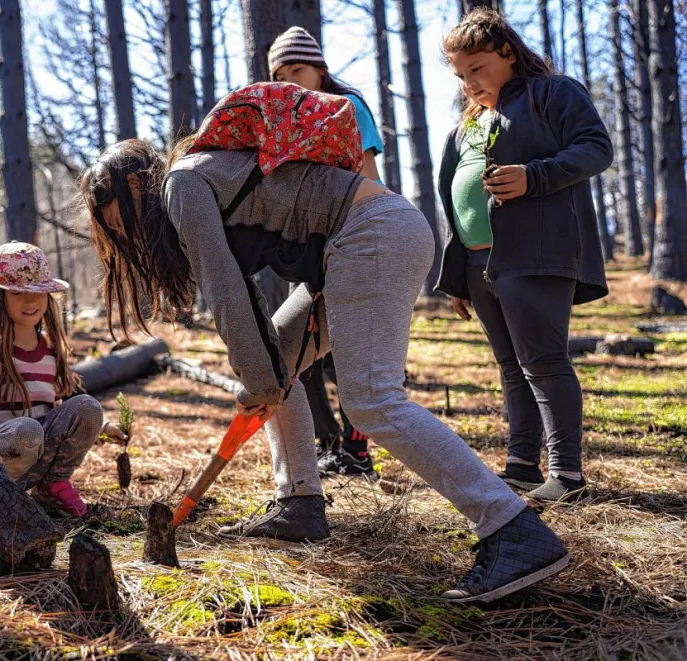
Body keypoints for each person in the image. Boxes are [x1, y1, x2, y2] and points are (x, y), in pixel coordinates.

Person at [78, 137, 570, 603]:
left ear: (136, 185)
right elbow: (242, 294)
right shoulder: (195, 181)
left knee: (371, 399)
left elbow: (225, 291)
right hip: (353, 242)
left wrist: (258, 380)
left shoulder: (181, 184)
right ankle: (299, 502)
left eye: (119, 220)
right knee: (277, 363)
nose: (126, 234)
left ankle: (511, 528)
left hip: (373, 232)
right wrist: (263, 376)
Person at [437, 9, 613, 502]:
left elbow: (596, 147)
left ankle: (568, 476)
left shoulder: (553, 93)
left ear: (507, 53)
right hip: (478, 262)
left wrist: (534, 176)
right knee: (511, 366)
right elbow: (456, 198)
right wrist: (454, 275)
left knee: (544, 361)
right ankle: (522, 466)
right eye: (460, 75)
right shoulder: (469, 122)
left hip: (536, 251)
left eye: (477, 68)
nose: (469, 82)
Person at [268, 25, 386, 479]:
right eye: (281, 74)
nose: (290, 81)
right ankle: (330, 445)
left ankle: (356, 451)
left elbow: (370, 173)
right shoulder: (286, 118)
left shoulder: (347, 106)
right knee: (299, 352)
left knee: (352, 352)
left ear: (319, 69)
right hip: (309, 248)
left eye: (297, 69)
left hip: (353, 240)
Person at [0, 242, 127, 517]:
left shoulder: (49, 348)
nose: (31, 302)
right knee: (27, 430)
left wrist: (102, 426)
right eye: (18, 293)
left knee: (87, 407)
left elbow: (55, 412)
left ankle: (53, 486)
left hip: (32, 460)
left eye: (38, 292)